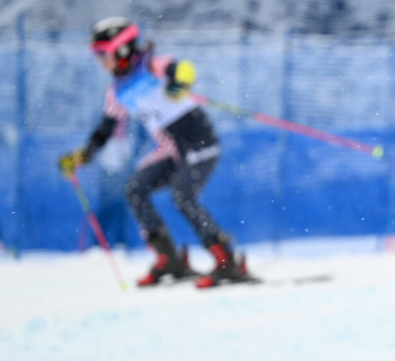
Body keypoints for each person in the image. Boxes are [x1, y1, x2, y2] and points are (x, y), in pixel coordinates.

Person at [58, 17, 252, 288]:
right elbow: (106, 129)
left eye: (104, 54)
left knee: (183, 197)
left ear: (123, 50)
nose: (101, 61)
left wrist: (178, 83)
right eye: (98, 56)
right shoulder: (116, 92)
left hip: (199, 142)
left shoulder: (152, 67)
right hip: (173, 152)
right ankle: (169, 259)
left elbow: (182, 69)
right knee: (135, 189)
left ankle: (226, 262)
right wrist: (82, 156)